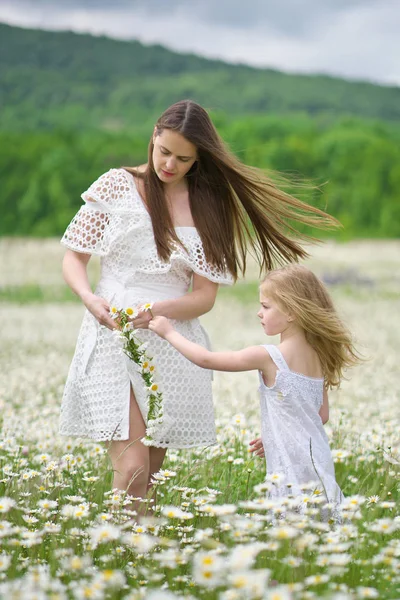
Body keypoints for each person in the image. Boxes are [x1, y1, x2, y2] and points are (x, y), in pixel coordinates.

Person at [60, 99, 338, 504]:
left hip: (170, 338)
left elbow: (204, 296)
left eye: (183, 159)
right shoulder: (115, 186)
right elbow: (74, 257)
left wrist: (158, 313)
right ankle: (110, 552)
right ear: (153, 137)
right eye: (164, 151)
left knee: (150, 474)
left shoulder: (207, 205)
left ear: (198, 159)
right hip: (112, 335)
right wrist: (89, 298)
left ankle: (138, 558)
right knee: (133, 466)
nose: (169, 164)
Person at [149, 264, 360, 507]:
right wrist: (277, 433)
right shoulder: (319, 356)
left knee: (290, 526)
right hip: (317, 458)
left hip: (289, 464)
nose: (259, 313)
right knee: (320, 520)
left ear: (292, 312)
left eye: (266, 306)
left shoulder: (269, 356)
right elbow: (321, 414)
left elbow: (206, 359)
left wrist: (169, 332)